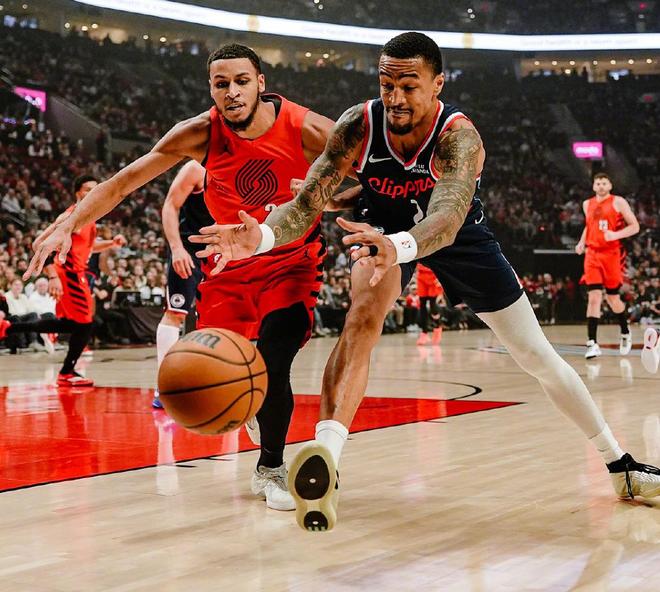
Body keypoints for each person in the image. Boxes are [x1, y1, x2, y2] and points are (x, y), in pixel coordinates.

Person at [191, 32, 660, 531]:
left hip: (455, 237)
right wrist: (262, 236)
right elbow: (307, 201)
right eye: (386, 84)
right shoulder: (358, 124)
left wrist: (399, 246)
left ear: (437, 84)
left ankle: (619, 463)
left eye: (408, 86)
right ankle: (325, 459)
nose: (394, 97)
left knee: (535, 355)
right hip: (381, 232)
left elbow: (447, 218)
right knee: (361, 319)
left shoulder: (459, 136)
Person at [23, 43, 353, 512]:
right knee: (232, 369)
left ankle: (270, 468)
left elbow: (372, 180)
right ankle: (253, 403)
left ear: (261, 83)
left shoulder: (310, 128)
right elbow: (123, 182)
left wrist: (331, 198)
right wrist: (69, 222)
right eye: (221, 84)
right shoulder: (199, 133)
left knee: (274, 361)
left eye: (242, 81)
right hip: (227, 266)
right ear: (211, 89)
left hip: (292, 264)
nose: (232, 92)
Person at [0, 175, 126, 384]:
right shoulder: (69, 216)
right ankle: (67, 372)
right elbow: (40, 243)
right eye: (87, 189)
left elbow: (88, 247)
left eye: (95, 189)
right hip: (69, 274)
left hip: (76, 273)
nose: (92, 193)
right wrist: (52, 276)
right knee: (85, 324)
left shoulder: (89, 217)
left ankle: (8, 328)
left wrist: (112, 243)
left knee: (70, 324)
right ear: (77, 192)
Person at [152, 159, 212, 409]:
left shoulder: (238, 172)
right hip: (188, 251)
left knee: (216, 320)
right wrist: (176, 248)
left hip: (219, 252)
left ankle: (212, 381)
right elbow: (170, 206)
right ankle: (165, 385)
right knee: (176, 312)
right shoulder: (195, 169)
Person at [575, 173, 639, 359]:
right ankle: (592, 343)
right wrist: (582, 242)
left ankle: (625, 330)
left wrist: (615, 235)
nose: (601, 186)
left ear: (610, 185)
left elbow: (635, 226)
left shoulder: (618, 202)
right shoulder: (587, 204)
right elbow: (589, 225)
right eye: (598, 183)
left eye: (604, 183)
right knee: (594, 297)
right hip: (592, 254)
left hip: (611, 254)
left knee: (613, 299)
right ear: (594, 186)